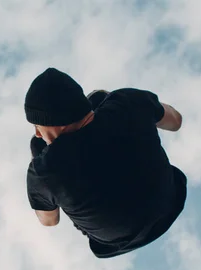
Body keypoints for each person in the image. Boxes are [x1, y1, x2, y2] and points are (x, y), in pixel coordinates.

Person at [25, 67, 187, 258]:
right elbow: (175, 122)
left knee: (38, 146)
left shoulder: (44, 171)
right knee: (100, 98)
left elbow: (50, 221)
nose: (37, 132)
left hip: (119, 241)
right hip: (170, 201)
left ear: (54, 124)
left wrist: (39, 165)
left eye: (37, 125)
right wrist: (128, 106)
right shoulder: (128, 103)